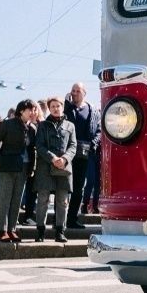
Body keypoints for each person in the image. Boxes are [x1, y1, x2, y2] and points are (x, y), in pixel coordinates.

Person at [0, 99, 38, 243]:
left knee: (17, 200)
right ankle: (3, 230)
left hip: (23, 168)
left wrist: (32, 167)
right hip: (7, 166)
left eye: (34, 110)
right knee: (5, 199)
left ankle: (12, 229)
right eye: (30, 110)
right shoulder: (8, 124)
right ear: (22, 110)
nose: (33, 113)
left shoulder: (32, 128)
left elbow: (32, 149)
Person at [34, 97, 77, 242]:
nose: (55, 108)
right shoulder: (42, 125)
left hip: (64, 167)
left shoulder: (70, 126)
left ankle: (60, 231)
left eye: (58, 106)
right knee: (43, 200)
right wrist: (53, 158)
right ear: (49, 108)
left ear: (62, 107)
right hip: (45, 167)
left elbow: (73, 146)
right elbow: (39, 146)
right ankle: (40, 231)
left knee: (62, 201)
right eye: (52, 106)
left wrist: (64, 159)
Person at [63, 83, 101, 230]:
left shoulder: (92, 111)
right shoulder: (67, 108)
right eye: (72, 90)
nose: (74, 93)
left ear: (84, 93)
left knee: (79, 188)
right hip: (67, 152)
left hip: (85, 153)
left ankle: (72, 219)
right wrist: (67, 103)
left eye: (78, 91)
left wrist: (93, 144)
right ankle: (59, 220)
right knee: (64, 187)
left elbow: (99, 130)